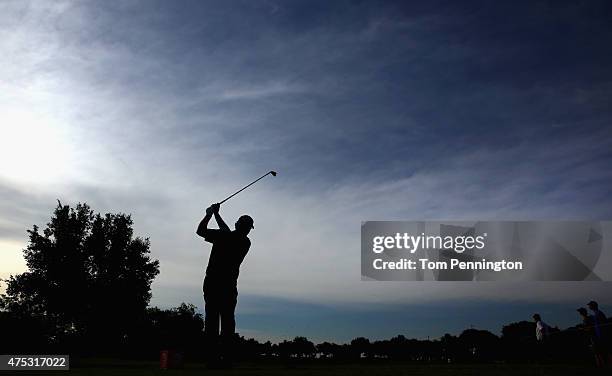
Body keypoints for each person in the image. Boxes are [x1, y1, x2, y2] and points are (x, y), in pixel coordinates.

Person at [197, 203, 254, 368]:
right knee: (227, 323)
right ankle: (225, 360)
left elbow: (201, 230)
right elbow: (223, 232)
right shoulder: (244, 241)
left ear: (237, 225)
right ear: (248, 229)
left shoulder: (235, 239)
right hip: (227, 286)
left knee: (213, 322)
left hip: (214, 284)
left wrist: (211, 214)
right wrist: (214, 214)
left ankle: (213, 360)